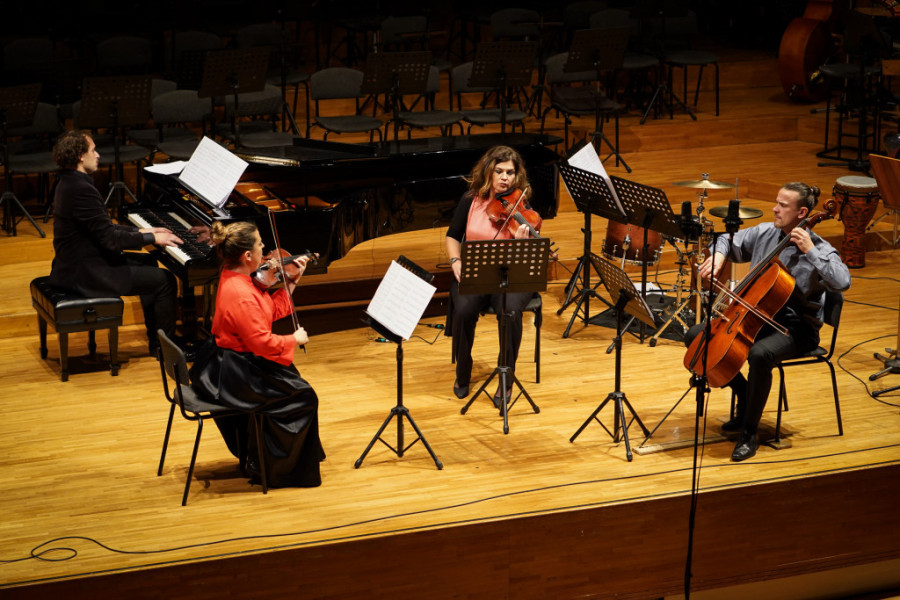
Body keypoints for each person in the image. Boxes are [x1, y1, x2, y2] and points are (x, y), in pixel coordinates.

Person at [687, 182, 851, 461]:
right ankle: (746, 395)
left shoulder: (820, 248)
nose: (774, 209)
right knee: (696, 336)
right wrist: (718, 256)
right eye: (776, 202)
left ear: (802, 212)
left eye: (782, 206)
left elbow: (842, 281)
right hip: (756, 317)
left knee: (760, 354)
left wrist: (811, 251)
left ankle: (749, 432)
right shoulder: (766, 232)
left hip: (796, 327)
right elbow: (726, 238)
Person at [189, 220, 325, 488]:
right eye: (261, 244)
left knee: (295, 382)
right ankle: (272, 467)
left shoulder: (235, 276)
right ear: (248, 256)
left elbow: (269, 311)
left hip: (231, 360)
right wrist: (294, 339)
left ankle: (270, 455)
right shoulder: (241, 294)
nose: (267, 250)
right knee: (304, 397)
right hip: (234, 372)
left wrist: (293, 278)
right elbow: (262, 343)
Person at [49, 130, 182, 355]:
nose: (98, 155)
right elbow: (110, 239)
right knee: (165, 281)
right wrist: (152, 237)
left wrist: (143, 230)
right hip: (85, 273)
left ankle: (156, 341)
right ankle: (167, 349)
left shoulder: (68, 182)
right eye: (93, 150)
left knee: (150, 261)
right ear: (81, 156)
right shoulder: (81, 189)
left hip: (76, 264)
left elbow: (102, 229)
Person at [446, 145, 539, 404]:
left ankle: (506, 377)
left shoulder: (521, 205)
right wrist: (456, 261)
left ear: (516, 176)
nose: (504, 177)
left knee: (509, 312)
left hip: (510, 277)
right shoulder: (471, 200)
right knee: (463, 312)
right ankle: (462, 370)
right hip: (474, 274)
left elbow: (530, 256)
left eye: (510, 172)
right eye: (499, 171)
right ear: (489, 171)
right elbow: (453, 236)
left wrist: (522, 243)